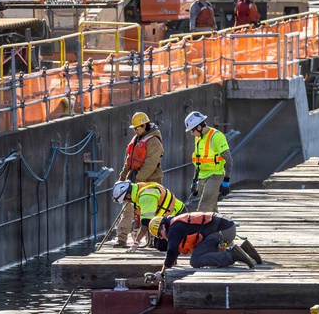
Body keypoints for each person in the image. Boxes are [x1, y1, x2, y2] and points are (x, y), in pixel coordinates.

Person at [147, 213, 259, 275]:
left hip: (223, 231)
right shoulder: (176, 223)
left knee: (196, 260)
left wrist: (162, 273)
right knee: (203, 253)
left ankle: (233, 255)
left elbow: (172, 251)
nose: (162, 238)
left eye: (160, 235)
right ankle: (247, 250)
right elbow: (174, 251)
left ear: (162, 226)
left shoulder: (174, 228)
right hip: (227, 228)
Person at [113, 111, 163, 248]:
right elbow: (129, 161)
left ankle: (152, 239)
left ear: (145, 125)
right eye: (134, 128)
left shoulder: (153, 142)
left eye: (138, 127)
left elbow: (150, 165)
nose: (135, 130)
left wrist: (137, 182)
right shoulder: (137, 139)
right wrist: (122, 178)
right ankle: (122, 238)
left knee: (151, 211)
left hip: (150, 182)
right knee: (127, 209)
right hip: (134, 180)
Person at [111, 180, 184, 247]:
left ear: (128, 195)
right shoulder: (136, 193)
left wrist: (136, 242)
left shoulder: (146, 197)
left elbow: (145, 224)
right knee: (158, 244)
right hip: (167, 218)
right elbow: (137, 213)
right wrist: (136, 229)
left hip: (178, 217)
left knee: (162, 246)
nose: (126, 202)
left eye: (125, 200)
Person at [184, 111, 232, 213]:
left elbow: (229, 160)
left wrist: (226, 181)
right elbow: (198, 162)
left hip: (215, 176)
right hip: (202, 177)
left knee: (204, 208)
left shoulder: (216, 137)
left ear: (199, 127)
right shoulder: (198, 139)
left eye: (192, 131)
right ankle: (221, 228)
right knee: (212, 210)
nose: (191, 134)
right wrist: (194, 181)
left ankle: (198, 228)